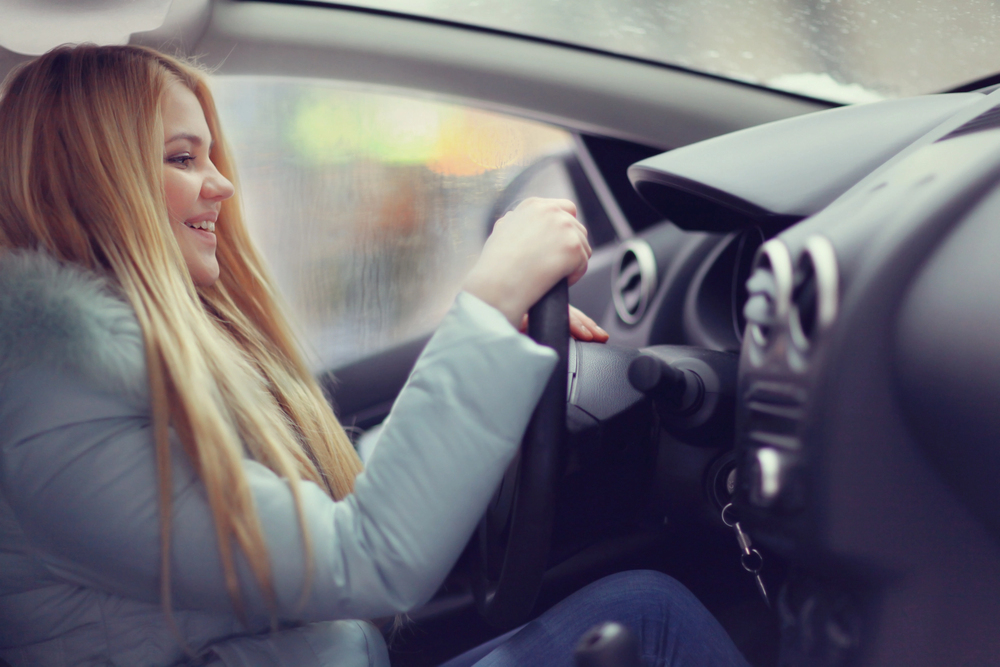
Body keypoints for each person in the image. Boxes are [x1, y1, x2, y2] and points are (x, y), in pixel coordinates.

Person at [0, 45, 750, 667]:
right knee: (654, 623)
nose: (221, 182)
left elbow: (335, 505)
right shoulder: (54, 413)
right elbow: (366, 558)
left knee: (648, 606)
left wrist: (501, 349)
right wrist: (485, 304)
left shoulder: (98, 381)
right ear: (96, 185)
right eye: (182, 157)